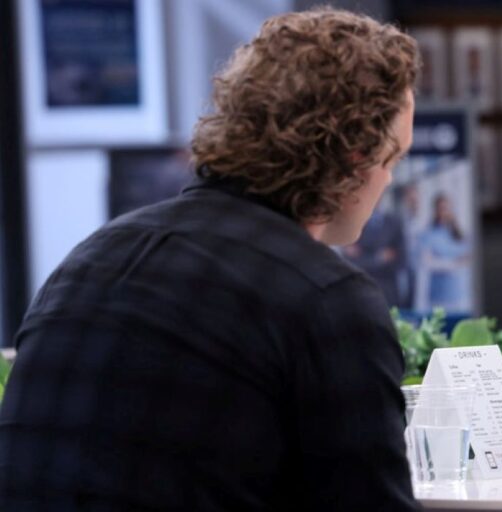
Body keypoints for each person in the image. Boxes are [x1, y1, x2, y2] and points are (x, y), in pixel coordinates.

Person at [0, 8, 420, 511]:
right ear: (357, 156)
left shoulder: (86, 263)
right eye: (392, 159)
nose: (389, 180)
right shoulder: (324, 300)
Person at [418, 194, 470, 312]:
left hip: (458, 295)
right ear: (435, 210)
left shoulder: (459, 234)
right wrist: (453, 264)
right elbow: (428, 263)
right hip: (438, 297)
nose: (444, 212)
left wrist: (446, 262)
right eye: (441, 209)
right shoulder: (429, 234)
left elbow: (467, 259)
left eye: (447, 208)